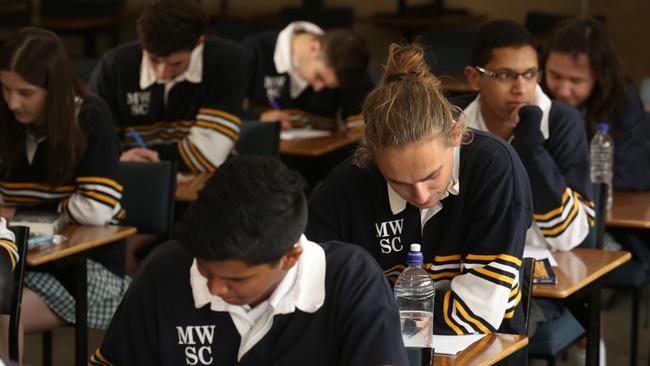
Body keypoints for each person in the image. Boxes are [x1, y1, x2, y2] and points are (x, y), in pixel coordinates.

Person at [90, 155, 408, 366]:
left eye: (236, 279)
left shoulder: (351, 281)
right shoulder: (166, 269)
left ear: (290, 257)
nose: (214, 287)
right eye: (205, 269)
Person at [307, 43, 533, 338]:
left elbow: (477, 311)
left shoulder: (494, 167)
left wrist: (370, 320)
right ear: (373, 158)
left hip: (484, 346)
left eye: (432, 175)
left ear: (455, 134)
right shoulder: (347, 185)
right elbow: (312, 290)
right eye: (399, 182)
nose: (422, 196)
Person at [0, 27, 127, 359]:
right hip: (18, 261)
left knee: (2, 310)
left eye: (25, 92)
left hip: (83, 268)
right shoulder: (7, 119)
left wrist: (14, 211)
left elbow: (96, 209)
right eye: (5, 88)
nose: (13, 102)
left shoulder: (89, 117)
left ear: (53, 89)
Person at [459, 20, 594, 253]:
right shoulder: (455, 123)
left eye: (530, 74)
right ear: (474, 78)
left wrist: (531, 150)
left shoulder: (561, 121)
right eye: (504, 75)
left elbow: (570, 236)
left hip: (549, 269)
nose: (520, 87)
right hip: (470, 262)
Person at [89, 0, 245, 173]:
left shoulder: (226, 61)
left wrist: (147, 161)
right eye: (154, 60)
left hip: (206, 180)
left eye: (176, 64)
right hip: (130, 179)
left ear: (199, 43)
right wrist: (120, 158)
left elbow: (208, 154)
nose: (162, 72)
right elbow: (92, 144)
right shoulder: (113, 67)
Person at [542, 17, 650, 192]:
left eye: (576, 80)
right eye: (555, 76)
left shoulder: (622, 98)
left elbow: (630, 175)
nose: (562, 90)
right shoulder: (535, 92)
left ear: (599, 77)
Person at [240, 21, 371, 131]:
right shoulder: (255, 51)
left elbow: (363, 131)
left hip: (324, 158)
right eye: (319, 76)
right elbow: (223, 110)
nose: (319, 88)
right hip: (263, 155)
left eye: (329, 86)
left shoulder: (351, 63)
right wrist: (258, 119)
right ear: (314, 47)